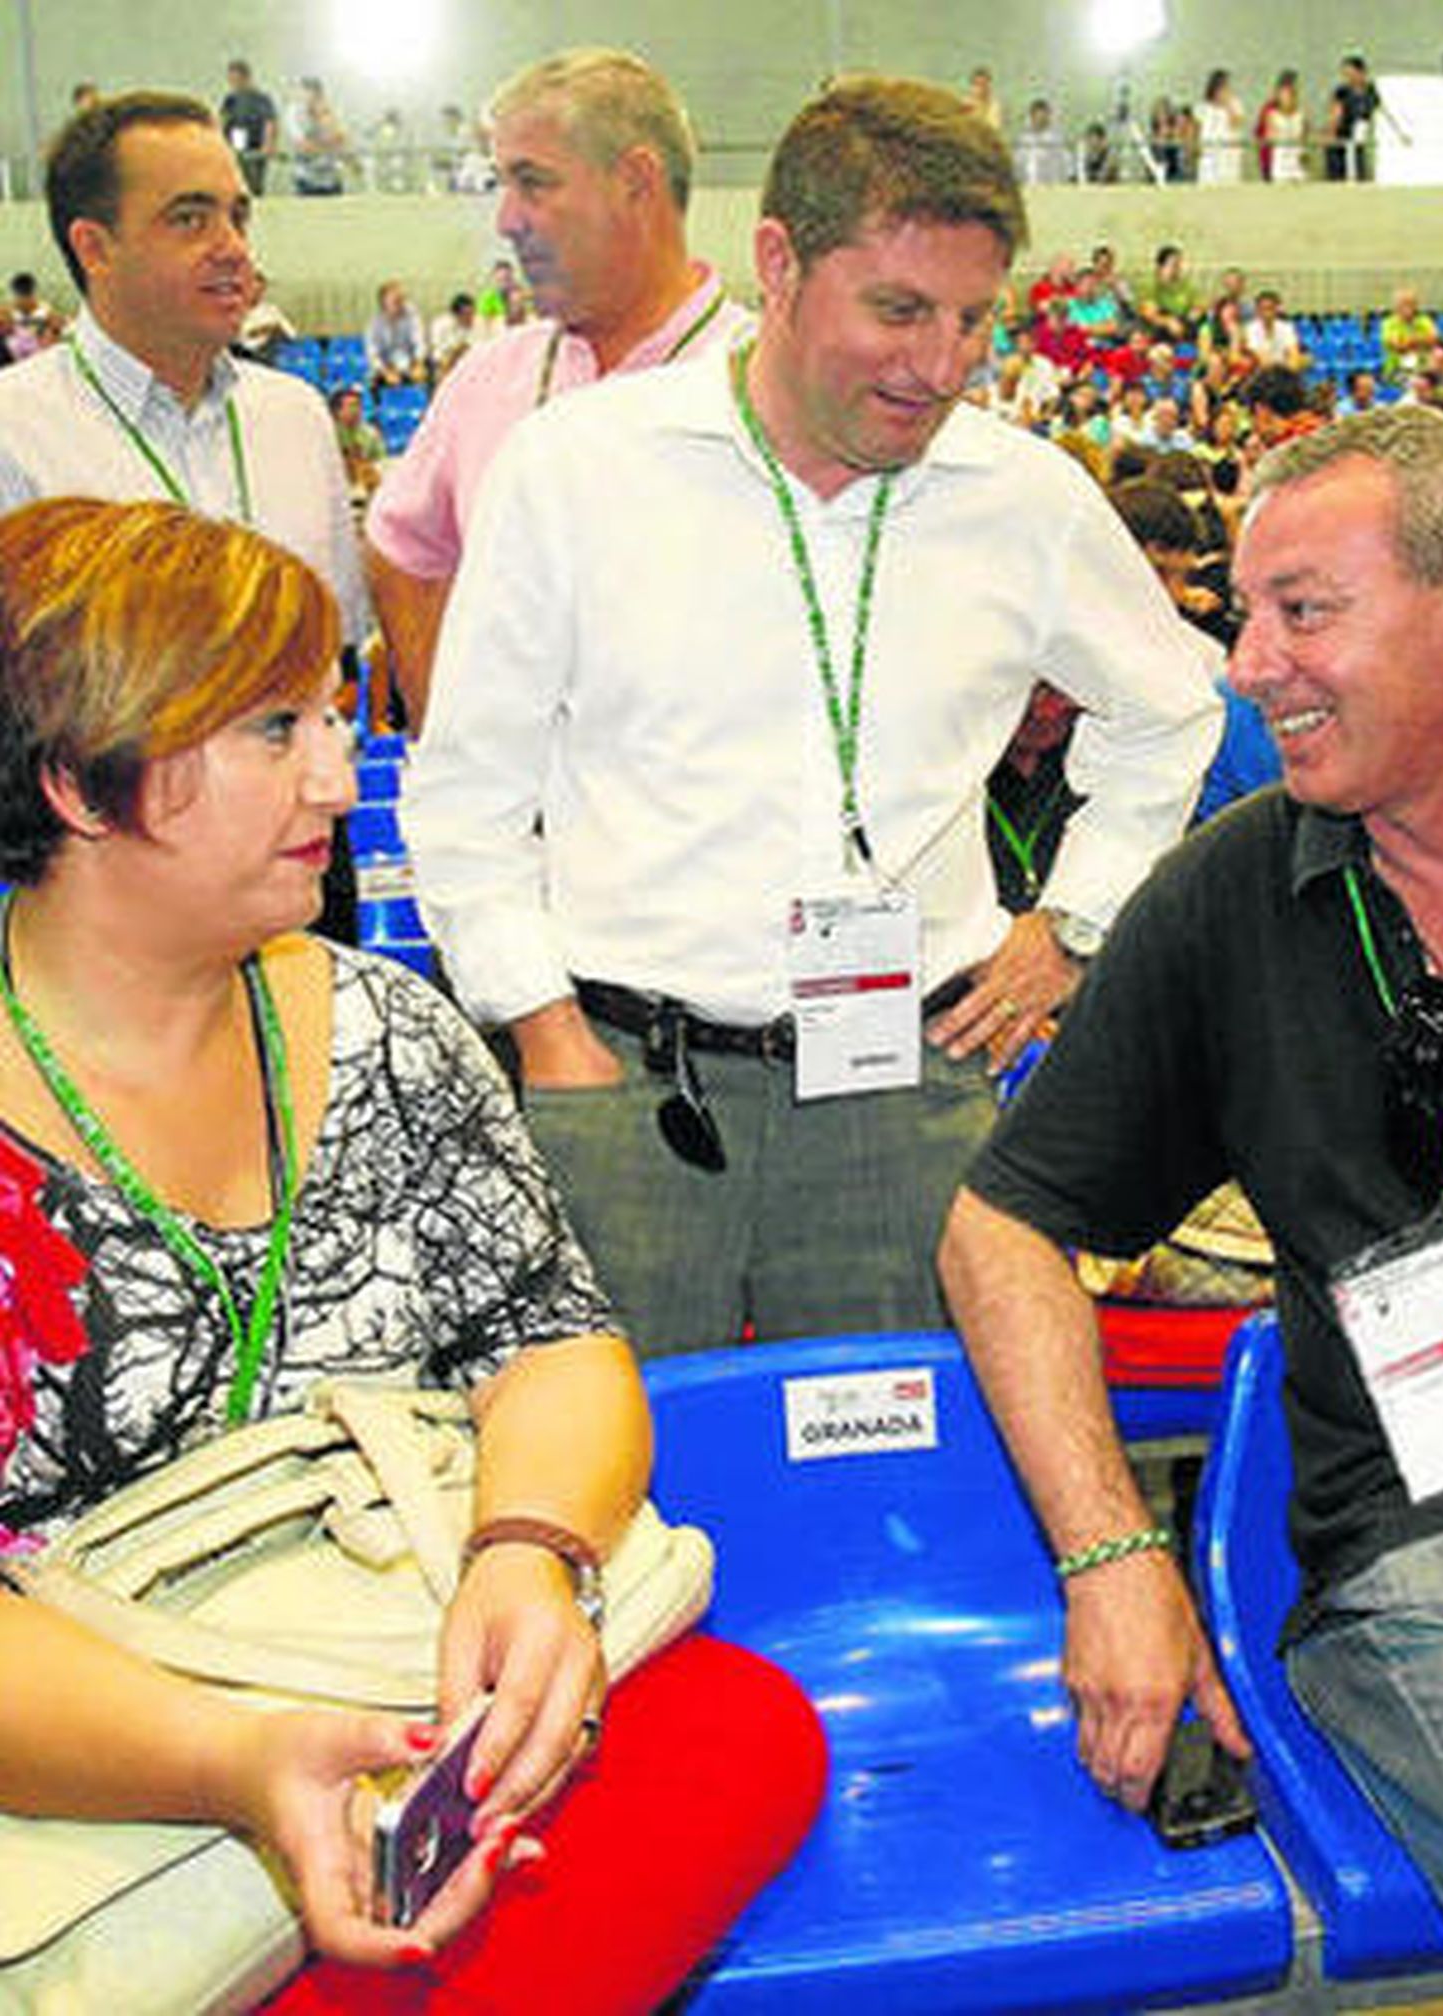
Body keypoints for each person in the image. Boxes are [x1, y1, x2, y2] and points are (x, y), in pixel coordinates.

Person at [0, 494, 825, 2007]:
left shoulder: (382, 1023)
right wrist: (232, 1760)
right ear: (78, 782)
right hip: (91, 1769)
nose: (339, 771)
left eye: (334, 714)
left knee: (740, 1732)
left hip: (398, 1667)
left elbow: (550, 1337)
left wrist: (530, 1553)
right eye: (270, 731)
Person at [940, 404, 1443, 2015]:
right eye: (1248, 614)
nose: (1245, 666)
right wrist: (1109, 1551)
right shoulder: (1234, 889)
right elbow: (1000, 1224)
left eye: (1303, 613)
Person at [403, 75, 1221, 1356]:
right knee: (619, 1504)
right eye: (896, 310)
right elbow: (467, 789)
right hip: (626, 1085)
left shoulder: (1023, 496)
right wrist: (543, 1027)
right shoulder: (579, 470)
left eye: (972, 320)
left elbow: (1173, 709)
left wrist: (1072, 923)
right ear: (778, 262)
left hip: (904, 1088)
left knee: (890, 1478)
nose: (939, 365)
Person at [365, 47, 752, 728]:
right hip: (525, 828)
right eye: (502, 185)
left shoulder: (766, 381)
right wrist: (446, 733)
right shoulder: (489, 377)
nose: (505, 220)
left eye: (533, 183)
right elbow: (401, 552)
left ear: (636, 181)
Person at [0, 91, 366, 646]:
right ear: (95, 249)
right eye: (191, 219)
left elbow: (336, 649)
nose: (234, 248)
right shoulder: (15, 434)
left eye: (238, 216)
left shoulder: (295, 417)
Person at [219, 59, 277, 197]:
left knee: (253, 186)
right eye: (231, 80)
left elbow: (270, 122)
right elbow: (223, 121)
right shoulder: (230, 100)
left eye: (236, 79)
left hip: (256, 149)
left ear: (246, 78)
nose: (233, 83)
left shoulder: (261, 99)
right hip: (237, 147)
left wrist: (268, 145)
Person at [1325, 53, 1381, 181]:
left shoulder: (1371, 91)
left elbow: (1380, 111)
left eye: (1351, 73)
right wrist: (1330, 134)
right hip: (1342, 138)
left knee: (1359, 172)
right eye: (1345, 74)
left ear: (1361, 72)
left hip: (1361, 138)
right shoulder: (1342, 92)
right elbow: (1335, 116)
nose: (1348, 78)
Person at [286, 77, 346, 197]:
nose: (311, 98)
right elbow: (304, 146)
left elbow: (341, 140)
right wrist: (328, 143)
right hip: (306, 180)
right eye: (307, 94)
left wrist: (324, 117)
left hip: (332, 179)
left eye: (317, 94)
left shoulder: (329, 110)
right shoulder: (294, 113)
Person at [364, 279, 428, 388]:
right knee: (373, 380)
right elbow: (373, 354)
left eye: (401, 299)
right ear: (384, 303)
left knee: (424, 375)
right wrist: (385, 371)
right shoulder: (375, 324)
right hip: (387, 365)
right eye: (395, 301)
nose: (400, 303)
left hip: (410, 362)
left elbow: (420, 342)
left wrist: (418, 363)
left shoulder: (412, 316)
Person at [1195, 69, 1245, 185]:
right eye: (1222, 87)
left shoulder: (1235, 104)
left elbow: (1236, 123)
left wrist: (1228, 105)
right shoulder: (1203, 108)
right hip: (1210, 159)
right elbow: (1197, 133)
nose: (1225, 91)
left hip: (1229, 159)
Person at [1258, 70, 1305, 183]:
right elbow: (1267, 137)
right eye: (1283, 95)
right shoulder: (1271, 113)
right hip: (1281, 160)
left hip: (1296, 159)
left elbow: (1304, 136)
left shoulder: (1300, 114)